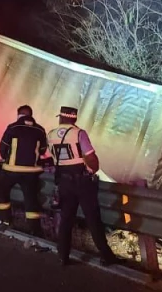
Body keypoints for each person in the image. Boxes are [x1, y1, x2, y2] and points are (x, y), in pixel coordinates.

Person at [47, 106, 117, 267]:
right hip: (82, 182)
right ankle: (106, 256)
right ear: (74, 119)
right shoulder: (79, 133)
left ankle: (63, 256)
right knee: (93, 219)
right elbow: (91, 158)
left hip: (63, 182)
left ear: (61, 118)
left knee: (66, 220)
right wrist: (91, 170)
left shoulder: (50, 134)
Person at [0, 105, 47, 235]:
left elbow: (3, 148)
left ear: (19, 115)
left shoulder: (13, 128)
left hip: (11, 170)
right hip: (32, 173)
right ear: (31, 115)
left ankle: (4, 220)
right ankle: (35, 230)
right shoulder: (40, 130)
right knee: (31, 200)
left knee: (0, 191)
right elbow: (43, 150)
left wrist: (7, 159)